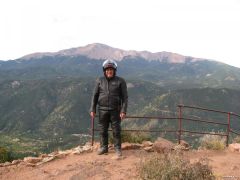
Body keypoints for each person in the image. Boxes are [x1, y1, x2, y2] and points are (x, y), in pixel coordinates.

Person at [90, 59, 128, 157]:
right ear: (104, 70)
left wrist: (123, 110)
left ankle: (118, 149)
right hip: (102, 110)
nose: (109, 71)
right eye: (107, 70)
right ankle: (104, 148)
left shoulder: (120, 81)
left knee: (116, 130)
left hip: (116, 110)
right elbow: (95, 95)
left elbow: (125, 97)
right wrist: (92, 109)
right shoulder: (99, 80)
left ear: (114, 70)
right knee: (103, 130)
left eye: (111, 69)